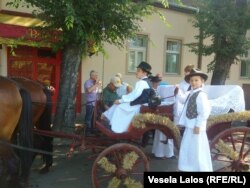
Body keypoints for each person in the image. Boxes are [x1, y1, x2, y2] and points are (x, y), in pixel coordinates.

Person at [177, 68, 212, 171]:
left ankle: (200, 168)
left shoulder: (201, 95)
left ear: (202, 81)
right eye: (192, 80)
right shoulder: (191, 93)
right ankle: (188, 167)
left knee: (198, 149)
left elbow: (204, 111)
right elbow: (183, 101)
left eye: (196, 80)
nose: (193, 82)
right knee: (188, 147)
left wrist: (198, 125)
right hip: (189, 126)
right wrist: (178, 90)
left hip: (196, 127)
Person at [101, 61, 152, 133]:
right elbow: (134, 95)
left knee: (119, 107)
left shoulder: (142, 82)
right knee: (118, 105)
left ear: (145, 73)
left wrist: (120, 100)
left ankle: (115, 128)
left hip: (137, 106)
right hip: (139, 105)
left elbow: (134, 95)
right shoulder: (146, 82)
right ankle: (108, 119)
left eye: (139, 71)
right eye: (137, 70)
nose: (136, 72)